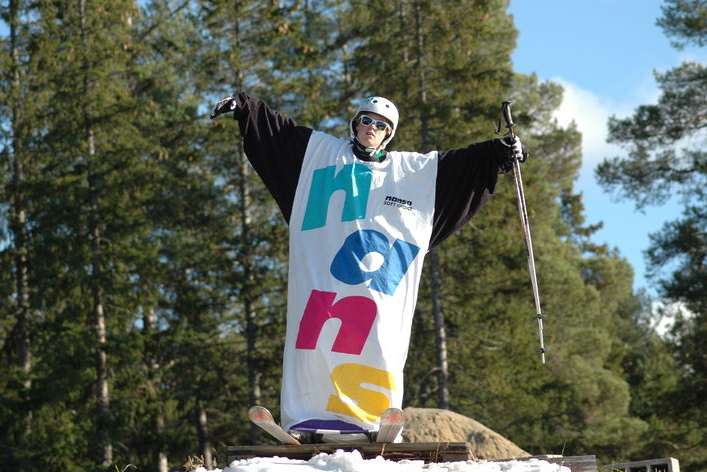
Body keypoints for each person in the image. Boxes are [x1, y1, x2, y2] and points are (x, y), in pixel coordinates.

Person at [210, 93, 526, 442]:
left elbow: (459, 167)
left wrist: (498, 153)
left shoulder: (410, 171)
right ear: (355, 124)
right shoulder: (321, 156)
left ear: (389, 133)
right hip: (324, 281)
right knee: (313, 345)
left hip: (379, 288)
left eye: (381, 125)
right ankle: (308, 416)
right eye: (366, 120)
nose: (371, 128)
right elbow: (280, 136)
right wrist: (246, 108)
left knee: (379, 342)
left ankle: (372, 418)